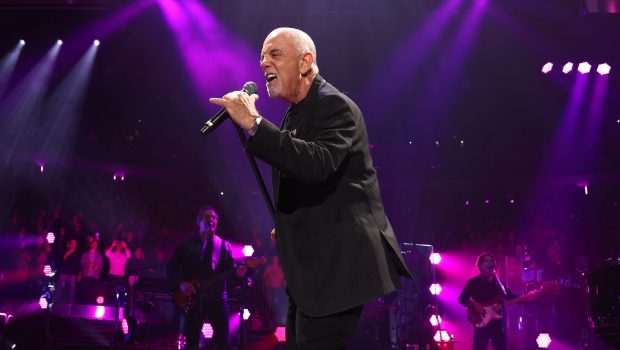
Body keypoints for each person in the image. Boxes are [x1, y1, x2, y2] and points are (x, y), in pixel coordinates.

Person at [210, 27, 413, 349]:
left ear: (305, 62)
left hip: (340, 265)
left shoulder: (335, 106)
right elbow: (303, 177)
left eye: (275, 54)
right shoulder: (298, 112)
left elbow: (316, 163)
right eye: (262, 56)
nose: (264, 63)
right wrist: (290, 224)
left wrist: (254, 124)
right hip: (315, 269)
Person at [167, 206, 245, 350]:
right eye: (207, 217)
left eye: (214, 218)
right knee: (191, 341)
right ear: (199, 222)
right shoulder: (187, 245)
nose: (211, 220)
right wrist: (181, 284)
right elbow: (171, 268)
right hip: (194, 300)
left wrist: (238, 274)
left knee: (223, 341)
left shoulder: (224, 246)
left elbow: (232, 273)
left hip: (218, 299)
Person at [458, 253, 536, 350]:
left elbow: (509, 297)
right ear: (480, 265)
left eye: (491, 261)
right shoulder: (473, 282)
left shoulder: (498, 282)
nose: (489, 263)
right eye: (486, 261)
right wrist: (474, 303)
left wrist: (526, 298)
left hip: (497, 323)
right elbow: (462, 299)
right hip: (481, 321)